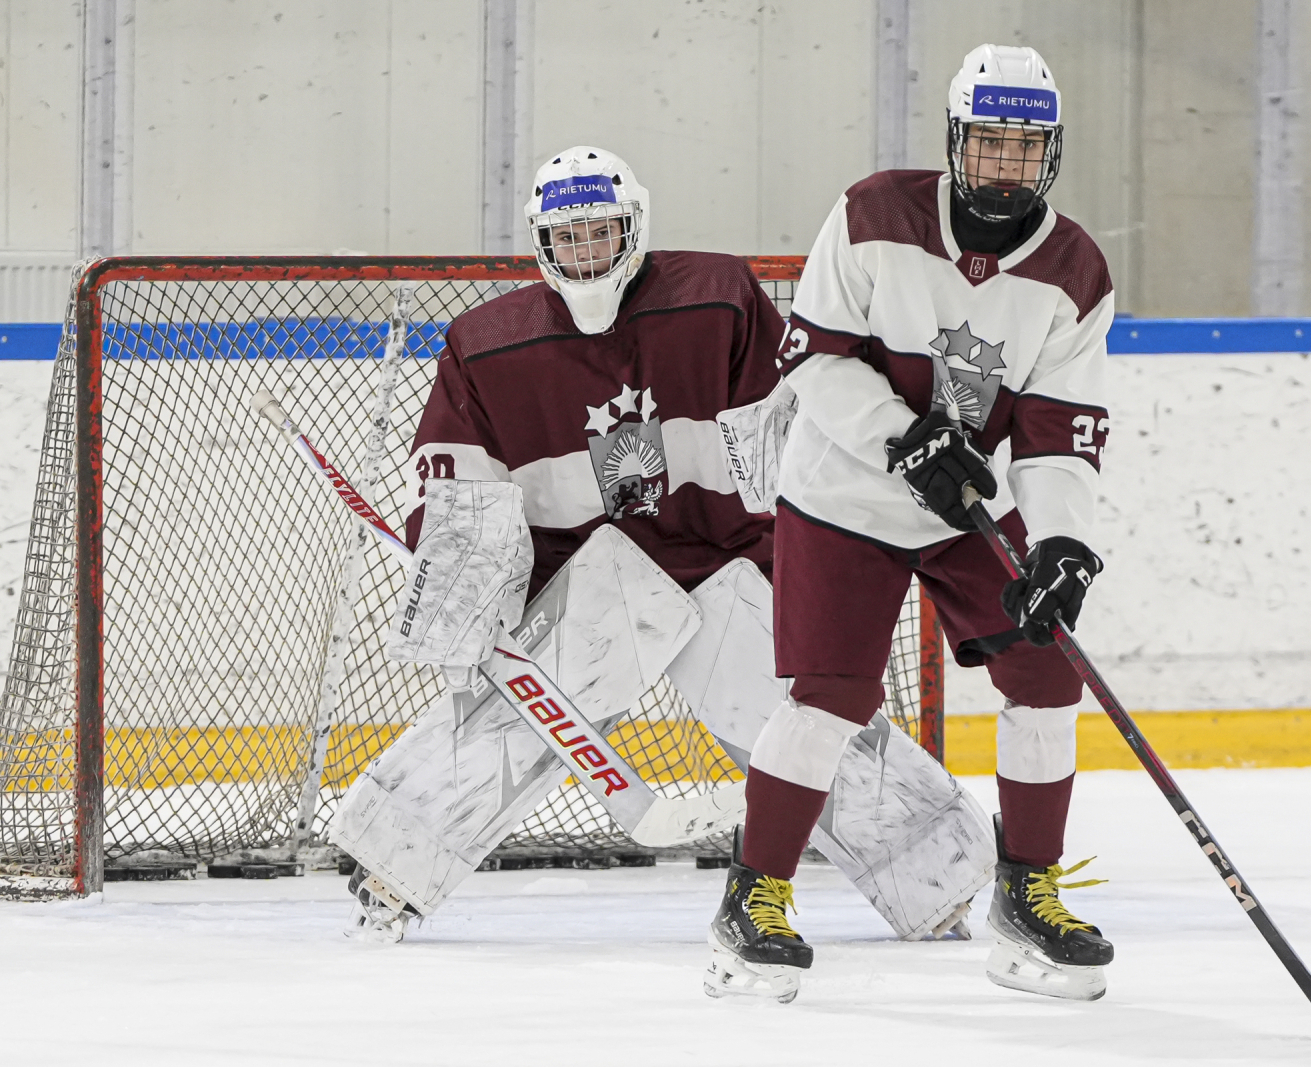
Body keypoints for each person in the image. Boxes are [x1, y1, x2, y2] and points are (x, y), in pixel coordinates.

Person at [332, 146, 991, 951]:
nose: (585, 252)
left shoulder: (719, 298)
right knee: (517, 711)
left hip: (721, 559)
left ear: (634, 228)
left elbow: (795, 425)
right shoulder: (486, 343)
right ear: (541, 242)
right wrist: (460, 575)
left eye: (600, 232)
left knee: (799, 713)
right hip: (584, 575)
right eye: (566, 236)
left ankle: (939, 876)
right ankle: (391, 867)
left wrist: (807, 555)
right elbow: (454, 482)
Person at [706, 44, 1117, 1004]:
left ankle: (1027, 893)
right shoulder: (872, 214)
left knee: (1047, 670)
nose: (1006, 164)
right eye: (989, 143)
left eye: (1026, 146)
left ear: (1052, 153)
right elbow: (813, 357)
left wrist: (1062, 540)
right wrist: (903, 437)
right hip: (843, 493)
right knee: (831, 696)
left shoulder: (1076, 270)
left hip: (968, 505)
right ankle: (753, 897)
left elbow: (1057, 432)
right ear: (955, 141)